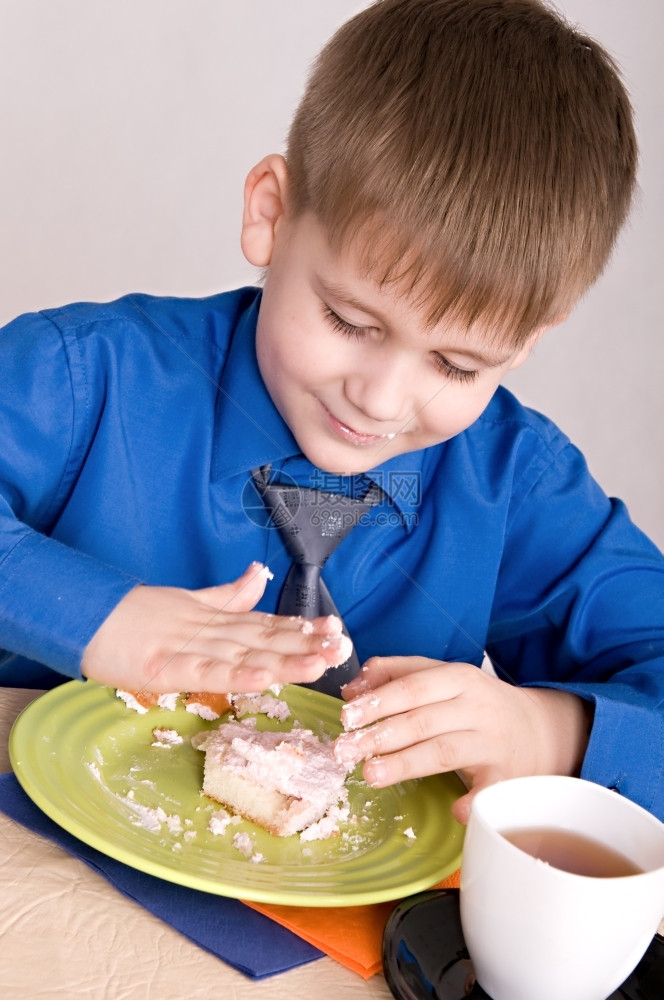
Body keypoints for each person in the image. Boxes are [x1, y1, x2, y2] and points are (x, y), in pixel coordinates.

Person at [1, 0, 662, 824]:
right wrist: (93, 615)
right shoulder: (86, 374)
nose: (381, 399)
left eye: (458, 364)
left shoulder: (516, 485)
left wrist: (553, 731)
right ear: (271, 213)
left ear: (527, 340)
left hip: (348, 952)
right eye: (350, 321)